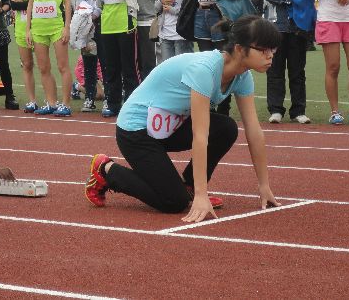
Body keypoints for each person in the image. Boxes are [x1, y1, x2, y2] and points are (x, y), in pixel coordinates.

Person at [85, 15, 282, 221]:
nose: (270, 56)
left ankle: (189, 186)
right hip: (135, 131)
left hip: (168, 127)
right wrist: (202, 195)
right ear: (240, 49)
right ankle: (106, 170)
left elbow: (254, 130)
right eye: (263, 50)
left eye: (273, 49)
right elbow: (200, 134)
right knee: (174, 202)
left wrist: (264, 186)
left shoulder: (242, 76)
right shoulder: (205, 70)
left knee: (226, 129)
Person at [80, 0, 141, 117]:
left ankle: (131, 104)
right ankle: (113, 104)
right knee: (111, 68)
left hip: (126, 24)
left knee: (129, 68)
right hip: (107, 25)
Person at [186, 0, 243, 116]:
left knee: (222, 61)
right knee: (206, 62)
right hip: (200, 15)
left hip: (219, 16)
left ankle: (223, 106)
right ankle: (209, 104)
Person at [261, 0, 311, 124]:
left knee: (298, 71)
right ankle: (276, 110)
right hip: (275, 27)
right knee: (275, 70)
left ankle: (298, 110)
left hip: (298, 26)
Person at [24, 0, 73, 116]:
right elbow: (30, 4)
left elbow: (67, 3)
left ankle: (65, 104)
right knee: (43, 68)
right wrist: (28, 29)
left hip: (57, 27)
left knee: (62, 66)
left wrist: (67, 27)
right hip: (38, 28)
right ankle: (51, 103)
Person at [74, 0, 110, 113]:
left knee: (106, 61)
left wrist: (97, 13)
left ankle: (109, 97)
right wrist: (84, 16)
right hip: (87, 22)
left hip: (107, 20)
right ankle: (89, 97)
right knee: (88, 59)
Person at [10, 0, 39, 113]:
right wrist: (26, 4)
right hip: (21, 27)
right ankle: (32, 100)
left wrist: (24, 2)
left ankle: (51, 100)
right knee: (27, 64)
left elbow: (39, 2)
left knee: (44, 65)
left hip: (40, 24)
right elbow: (13, 4)